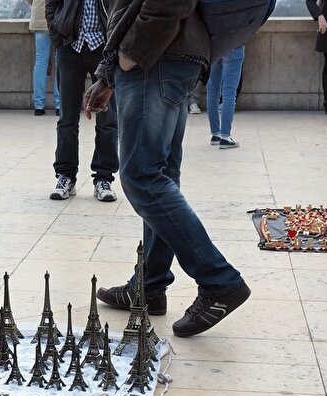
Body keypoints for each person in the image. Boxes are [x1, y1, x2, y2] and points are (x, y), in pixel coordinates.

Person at [86, 0, 251, 337]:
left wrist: (131, 55)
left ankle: (219, 280)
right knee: (160, 176)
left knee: (142, 176)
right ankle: (149, 285)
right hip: (170, 55)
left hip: (158, 55)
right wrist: (110, 72)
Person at [45, 0, 119, 202]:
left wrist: (115, 42)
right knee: (67, 118)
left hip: (104, 47)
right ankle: (65, 176)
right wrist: (58, 36)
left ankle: (104, 178)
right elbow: (51, 5)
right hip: (70, 46)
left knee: (108, 118)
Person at [206, 45, 245, 149]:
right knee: (229, 92)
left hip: (214, 47)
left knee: (212, 91)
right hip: (234, 46)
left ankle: (215, 135)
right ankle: (225, 137)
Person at [27, 0, 59, 116]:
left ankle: (39, 105)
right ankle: (60, 104)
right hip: (58, 18)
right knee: (60, 62)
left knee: (40, 61)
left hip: (39, 17)